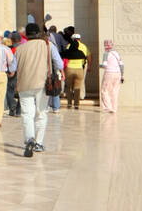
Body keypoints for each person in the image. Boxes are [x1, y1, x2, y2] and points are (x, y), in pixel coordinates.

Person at [16, 22, 58, 157]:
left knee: (27, 114)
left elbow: (12, 68)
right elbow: (59, 62)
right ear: (38, 33)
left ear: (26, 35)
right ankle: (39, 143)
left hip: (24, 84)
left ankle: (29, 139)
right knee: (41, 113)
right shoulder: (47, 45)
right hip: (42, 83)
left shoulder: (19, 49)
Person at [64, 32, 90, 109]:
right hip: (80, 68)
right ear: (80, 39)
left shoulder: (69, 46)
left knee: (68, 87)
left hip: (69, 69)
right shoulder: (84, 47)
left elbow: (65, 57)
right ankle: (76, 104)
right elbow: (88, 56)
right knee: (77, 87)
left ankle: (69, 103)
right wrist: (89, 66)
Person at [99, 40, 124, 112]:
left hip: (109, 73)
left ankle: (108, 107)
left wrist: (99, 65)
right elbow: (122, 65)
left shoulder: (106, 54)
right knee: (115, 91)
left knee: (104, 90)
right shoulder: (117, 54)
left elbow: (104, 65)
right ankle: (114, 108)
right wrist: (122, 75)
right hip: (118, 73)